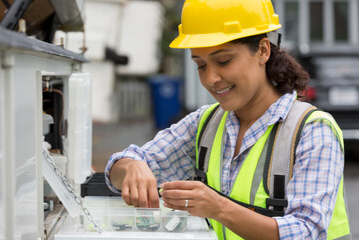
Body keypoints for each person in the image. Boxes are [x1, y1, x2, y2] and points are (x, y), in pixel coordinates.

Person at [105, 0, 351, 239]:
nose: (211, 78)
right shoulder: (206, 124)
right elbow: (118, 171)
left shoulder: (312, 131)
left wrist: (219, 208)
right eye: (200, 65)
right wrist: (132, 167)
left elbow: (307, 232)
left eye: (224, 61)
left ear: (263, 51)